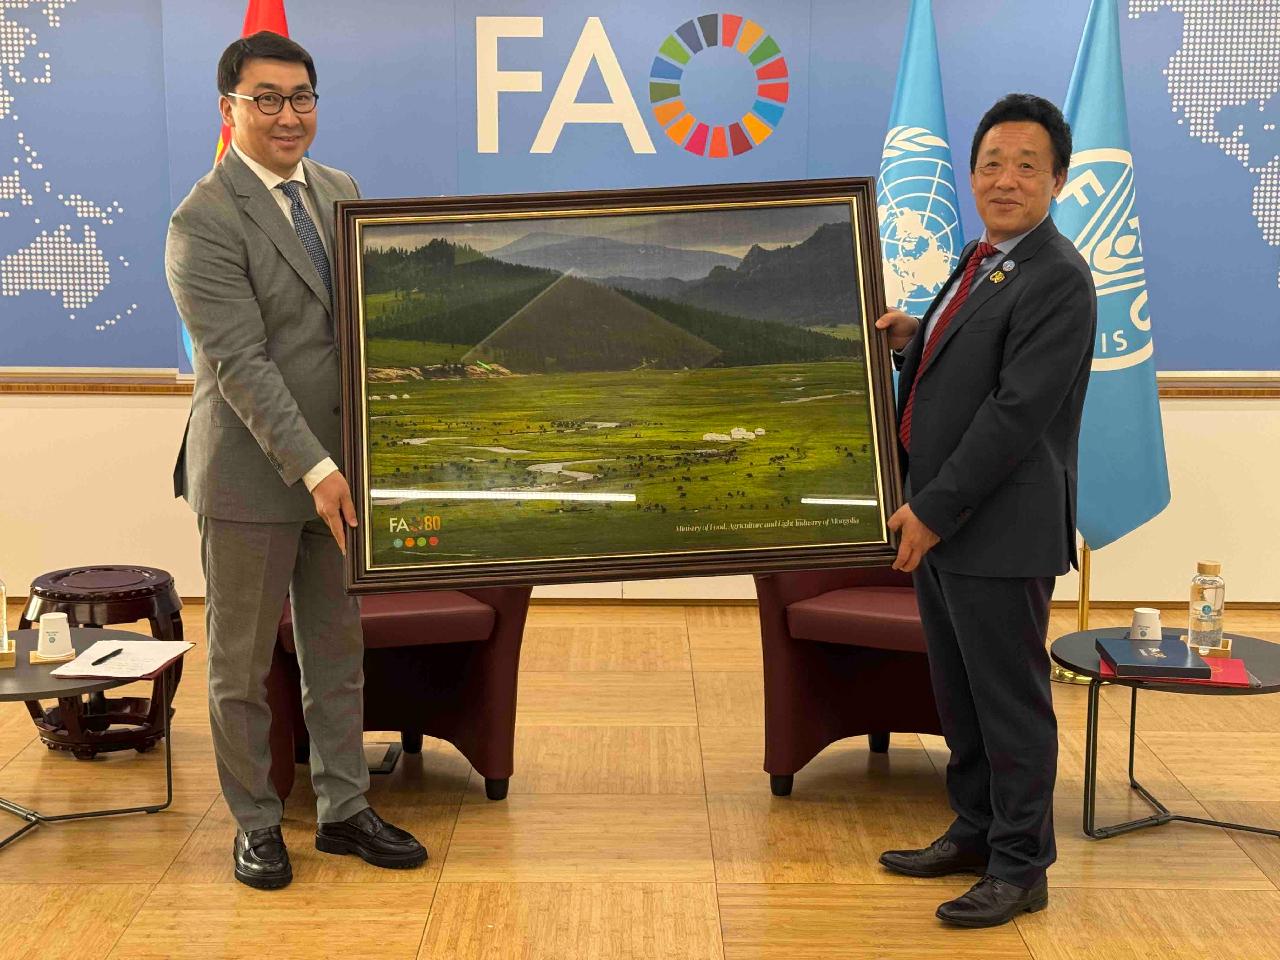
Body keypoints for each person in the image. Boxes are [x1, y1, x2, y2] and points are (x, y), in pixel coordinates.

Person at [166, 31, 425, 889]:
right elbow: (243, 365)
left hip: (340, 474)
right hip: (254, 479)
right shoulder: (203, 220)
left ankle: (345, 808)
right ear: (229, 109)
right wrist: (316, 469)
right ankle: (255, 823)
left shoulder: (338, 191)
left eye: (302, 96)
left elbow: (352, 327)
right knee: (240, 666)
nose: (289, 115)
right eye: (267, 98)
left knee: (336, 650)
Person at [874, 93, 1096, 928]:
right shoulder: (981, 257)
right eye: (991, 164)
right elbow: (967, 363)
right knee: (960, 695)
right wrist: (915, 339)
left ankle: (1020, 866)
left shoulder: (1059, 277)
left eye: (1026, 166)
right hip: (946, 527)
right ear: (969, 176)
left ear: (1058, 179)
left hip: (996, 528)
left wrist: (931, 508)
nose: (1005, 179)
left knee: (1009, 703)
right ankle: (973, 830)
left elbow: (1014, 413)